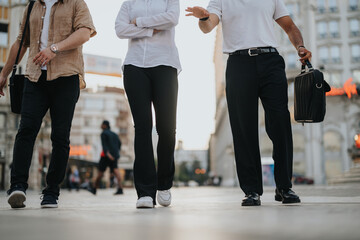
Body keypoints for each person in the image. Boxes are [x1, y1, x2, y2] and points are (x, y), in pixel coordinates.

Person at [186, 0, 312, 206]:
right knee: (244, 129)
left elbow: (289, 26)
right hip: (239, 64)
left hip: (271, 61)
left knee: (280, 123)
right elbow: (208, 26)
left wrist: (300, 46)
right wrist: (203, 17)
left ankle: (284, 186)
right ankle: (252, 190)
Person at [0, 0, 96, 209]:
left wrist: (55, 48)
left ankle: (51, 192)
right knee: (26, 130)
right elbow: (20, 42)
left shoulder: (75, 3)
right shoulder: (33, 5)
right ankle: (17, 186)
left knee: (60, 137)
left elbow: (85, 33)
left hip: (66, 76)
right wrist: (3, 73)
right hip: (35, 78)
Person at [115, 0, 181, 208]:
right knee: (142, 128)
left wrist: (139, 23)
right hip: (135, 66)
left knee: (167, 129)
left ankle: (164, 185)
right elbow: (119, 29)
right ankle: (144, 192)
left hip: (165, 64)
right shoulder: (129, 3)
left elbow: (171, 19)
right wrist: (151, 29)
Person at [88, 120, 124, 195]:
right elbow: (120, 143)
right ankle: (120, 188)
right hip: (114, 156)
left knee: (100, 172)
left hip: (105, 156)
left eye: (102, 124)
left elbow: (104, 146)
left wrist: (108, 154)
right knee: (116, 171)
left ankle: (94, 188)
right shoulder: (114, 134)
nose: (100, 125)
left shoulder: (103, 133)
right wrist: (116, 153)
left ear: (105, 125)